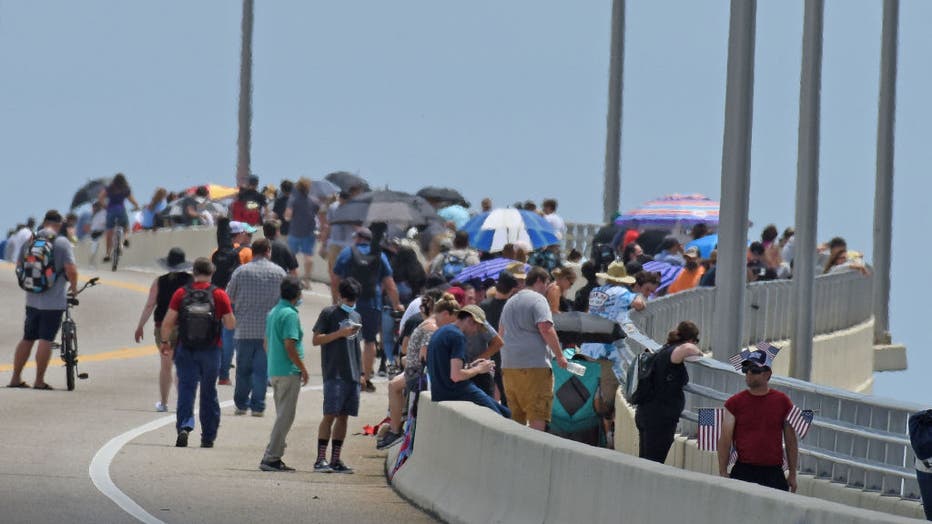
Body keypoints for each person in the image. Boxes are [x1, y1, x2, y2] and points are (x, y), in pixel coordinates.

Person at [160, 257, 236, 448]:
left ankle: (185, 426)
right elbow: (230, 323)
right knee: (209, 392)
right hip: (211, 350)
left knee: (186, 389)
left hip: (186, 349)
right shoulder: (218, 294)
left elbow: (168, 321)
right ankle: (208, 436)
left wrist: (165, 342)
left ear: (193, 272)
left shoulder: (181, 293)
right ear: (211, 273)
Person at [378, 293, 458, 449]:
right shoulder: (432, 328)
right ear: (445, 314)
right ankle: (395, 429)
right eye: (453, 318)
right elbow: (425, 356)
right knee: (395, 387)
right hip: (416, 372)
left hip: (411, 369)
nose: (453, 323)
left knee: (394, 386)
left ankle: (395, 429)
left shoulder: (426, 322)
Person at [8, 211, 77, 390]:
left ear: (44, 222)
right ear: (59, 224)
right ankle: (39, 380)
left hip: (32, 300)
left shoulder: (30, 241)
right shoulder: (61, 243)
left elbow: (19, 267)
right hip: (53, 302)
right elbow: (71, 269)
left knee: (28, 338)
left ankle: (15, 378)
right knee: (45, 339)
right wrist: (74, 288)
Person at [333, 226, 403, 392]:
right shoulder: (380, 256)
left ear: (357, 238)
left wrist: (337, 298)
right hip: (373, 303)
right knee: (370, 341)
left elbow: (335, 278)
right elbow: (390, 284)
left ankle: (351, 374)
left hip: (350, 303)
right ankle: (366, 376)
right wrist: (396, 304)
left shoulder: (347, 252)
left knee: (350, 338)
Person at [718, 348, 798, 492]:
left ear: (767, 374)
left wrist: (792, 474)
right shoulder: (734, 403)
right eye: (746, 368)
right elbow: (725, 439)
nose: (749, 373)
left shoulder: (782, 401)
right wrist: (723, 471)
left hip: (773, 473)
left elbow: (791, 440)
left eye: (754, 370)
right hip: (744, 470)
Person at [499, 267, 569, 430]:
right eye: (546, 284)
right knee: (537, 413)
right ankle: (534, 455)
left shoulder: (510, 301)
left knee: (516, 417)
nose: (546, 288)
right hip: (534, 366)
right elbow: (546, 328)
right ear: (538, 281)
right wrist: (559, 356)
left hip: (509, 366)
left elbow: (501, 333)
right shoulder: (538, 300)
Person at [226, 238, 286, 417]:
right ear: (268, 251)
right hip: (268, 331)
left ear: (253, 251)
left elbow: (229, 296)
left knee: (243, 370)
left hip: (244, 329)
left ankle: (241, 405)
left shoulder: (241, 271)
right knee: (262, 370)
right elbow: (286, 299)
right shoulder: (279, 273)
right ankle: (258, 406)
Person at [311, 278, 365, 473]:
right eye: (348, 300)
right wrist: (339, 334)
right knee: (330, 415)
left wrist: (362, 373)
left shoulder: (357, 316)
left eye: (353, 301)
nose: (351, 304)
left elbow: (357, 346)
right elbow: (316, 339)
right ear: (340, 296)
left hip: (352, 374)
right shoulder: (329, 313)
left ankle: (336, 459)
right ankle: (320, 459)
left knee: (344, 417)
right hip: (334, 373)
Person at [259, 276, 309, 472]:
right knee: (285, 417)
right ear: (296, 294)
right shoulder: (289, 314)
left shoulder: (274, 312)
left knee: (283, 415)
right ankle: (271, 456)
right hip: (288, 371)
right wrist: (302, 368)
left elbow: (266, 343)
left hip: (275, 369)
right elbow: (290, 344)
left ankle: (274, 452)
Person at [634, 321, 703, 463]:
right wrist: (698, 351)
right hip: (659, 419)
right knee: (653, 464)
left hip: (647, 413)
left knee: (645, 462)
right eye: (696, 340)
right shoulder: (673, 352)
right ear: (691, 339)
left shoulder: (663, 350)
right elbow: (688, 349)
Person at [134, 247, 194, 412]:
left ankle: (164, 402)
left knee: (165, 366)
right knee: (182, 366)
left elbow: (150, 305)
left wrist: (140, 326)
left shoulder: (159, 281)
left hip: (163, 328)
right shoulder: (191, 281)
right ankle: (183, 402)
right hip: (185, 327)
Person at [426, 305, 511, 418]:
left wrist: (470, 366)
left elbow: (446, 367)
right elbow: (456, 376)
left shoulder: (441, 331)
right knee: (501, 417)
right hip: (455, 391)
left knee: (505, 412)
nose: (476, 331)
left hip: (439, 391)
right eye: (478, 327)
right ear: (470, 320)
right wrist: (479, 369)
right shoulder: (458, 336)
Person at [320, 189, 361, 303]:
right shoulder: (333, 207)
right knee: (334, 275)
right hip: (335, 244)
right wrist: (323, 244)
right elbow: (327, 226)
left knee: (347, 276)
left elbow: (357, 227)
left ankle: (346, 300)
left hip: (349, 245)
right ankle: (335, 300)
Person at [285, 177, 323, 288]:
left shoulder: (293, 200)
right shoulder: (314, 201)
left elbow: (288, 216)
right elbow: (319, 216)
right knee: (308, 256)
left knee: (291, 256)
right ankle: (307, 280)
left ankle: (292, 279)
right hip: (309, 232)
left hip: (295, 231)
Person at [100, 173, 140, 262]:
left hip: (110, 210)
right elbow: (132, 200)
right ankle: (125, 238)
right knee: (126, 226)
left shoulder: (110, 188)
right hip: (121, 210)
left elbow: (101, 197)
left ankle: (107, 254)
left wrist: (104, 206)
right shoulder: (125, 189)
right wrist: (136, 206)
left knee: (109, 232)